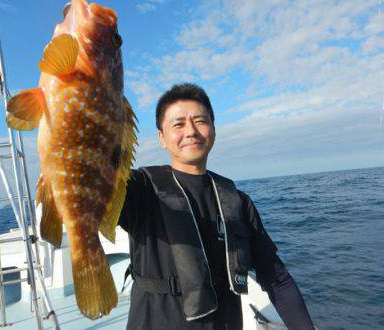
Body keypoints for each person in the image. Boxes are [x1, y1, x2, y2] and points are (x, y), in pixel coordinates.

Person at [118, 83, 315, 330]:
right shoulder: (139, 188)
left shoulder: (238, 201)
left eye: (200, 121)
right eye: (178, 124)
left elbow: (277, 279)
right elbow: (95, 177)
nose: (191, 131)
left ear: (213, 129)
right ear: (162, 137)